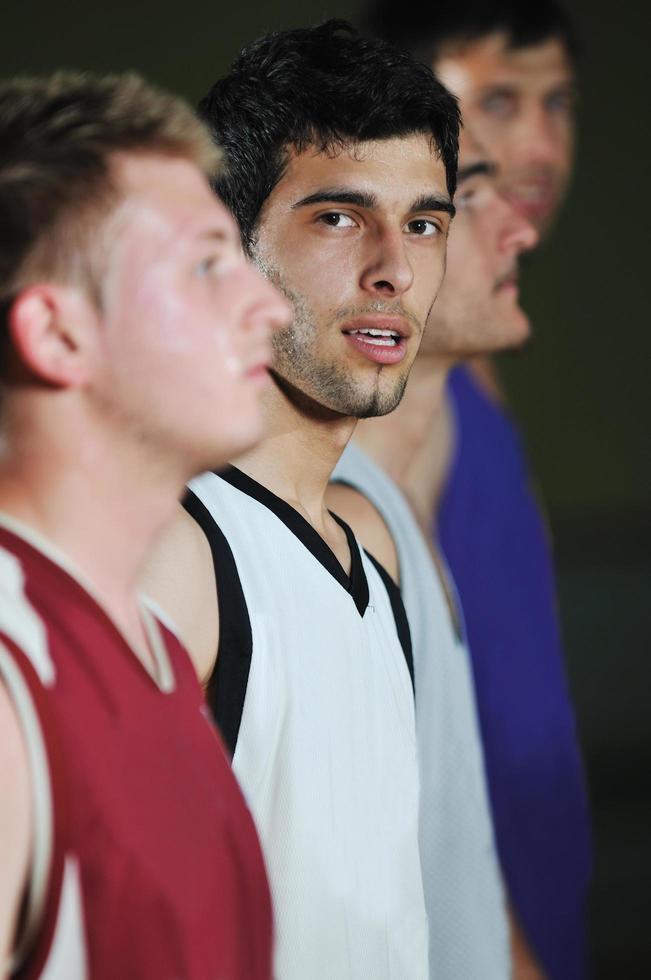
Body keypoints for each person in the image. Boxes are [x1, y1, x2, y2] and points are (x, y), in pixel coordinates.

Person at [143, 20, 459, 980]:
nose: (393, 270)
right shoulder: (176, 556)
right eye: (337, 217)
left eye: (422, 223)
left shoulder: (368, 552)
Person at [0, 71, 288, 979]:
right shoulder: (10, 685)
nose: (269, 307)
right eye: (206, 265)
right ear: (58, 335)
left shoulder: (155, 646)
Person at [358, 3, 592, 979]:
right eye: (497, 102)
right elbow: (392, 777)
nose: (539, 145)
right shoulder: (371, 398)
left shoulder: (472, 360)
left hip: (542, 883)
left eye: (560, 103)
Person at [330, 130, 539, 980]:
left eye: (431, 216)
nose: (518, 230)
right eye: (464, 202)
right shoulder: (333, 527)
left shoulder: (404, 505)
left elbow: (451, 875)